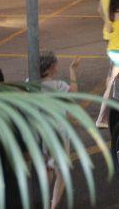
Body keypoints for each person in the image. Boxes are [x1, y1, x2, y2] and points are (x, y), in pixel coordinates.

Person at [38, 51, 80, 209]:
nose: (57, 68)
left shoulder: (30, 82)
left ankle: (44, 197)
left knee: (48, 166)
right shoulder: (58, 86)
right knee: (62, 172)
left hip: (41, 131)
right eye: (55, 65)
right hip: (58, 132)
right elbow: (74, 92)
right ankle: (53, 205)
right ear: (49, 69)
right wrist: (72, 70)